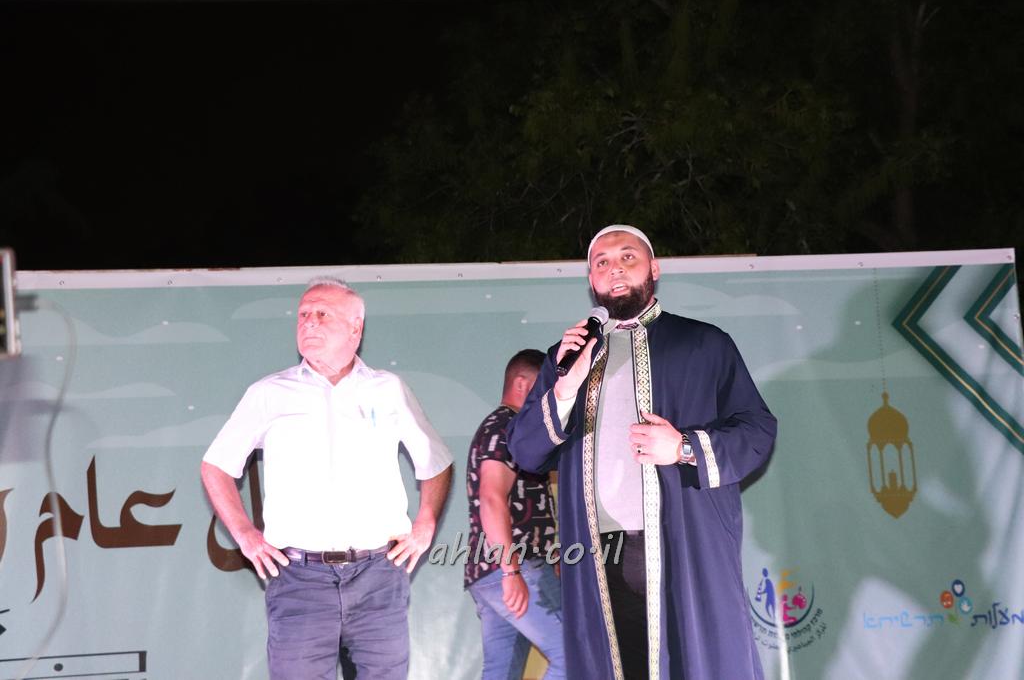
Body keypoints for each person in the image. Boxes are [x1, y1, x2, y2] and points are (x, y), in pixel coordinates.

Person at [508, 225, 777, 680]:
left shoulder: (703, 343)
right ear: (591, 280)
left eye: (627, 257)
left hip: (684, 539)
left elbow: (757, 430)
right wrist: (566, 385)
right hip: (598, 553)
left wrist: (684, 446)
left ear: (654, 268)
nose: (615, 269)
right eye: (602, 262)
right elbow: (525, 450)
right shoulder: (566, 356)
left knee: (694, 663)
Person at [200, 277, 453, 680]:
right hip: (298, 578)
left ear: (356, 328)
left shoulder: (388, 389)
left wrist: (425, 523)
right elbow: (216, 465)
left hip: (378, 574)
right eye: (303, 315)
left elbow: (436, 461)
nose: (309, 322)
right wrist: (245, 534)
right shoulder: (270, 393)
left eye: (322, 314)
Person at [464, 349, 565, 680]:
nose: (550, 399)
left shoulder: (507, 428)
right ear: (522, 384)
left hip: (493, 569)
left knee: (501, 670)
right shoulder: (507, 427)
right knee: (575, 655)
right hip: (512, 565)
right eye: (545, 388)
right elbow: (491, 497)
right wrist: (511, 571)